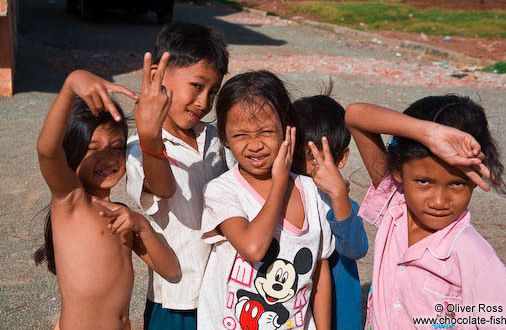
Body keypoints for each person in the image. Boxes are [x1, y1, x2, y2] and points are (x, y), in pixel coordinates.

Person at [345, 95, 506, 330]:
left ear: (474, 179)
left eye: (456, 184)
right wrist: (428, 134)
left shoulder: (469, 253)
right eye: (424, 181)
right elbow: (355, 115)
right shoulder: (396, 208)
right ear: (398, 171)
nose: (439, 201)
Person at [34, 70, 180, 330]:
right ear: (71, 152)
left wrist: (141, 225)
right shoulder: (71, 200)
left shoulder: (121, 215)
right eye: (93, 149)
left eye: (116, 147)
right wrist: (70, 86)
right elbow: (46, 150)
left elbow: (171, 271)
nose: (108, 158)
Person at [198, 71, 335, 330]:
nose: (255, 145)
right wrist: (279, 185)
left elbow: (320, 269)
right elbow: (253, 249)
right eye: (240, 135)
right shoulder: (223, 191)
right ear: (224, 138)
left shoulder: (312, 191)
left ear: (287, 130)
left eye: (266, 131)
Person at [125, 21, 230, 329]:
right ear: (158, 74)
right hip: (174, 302)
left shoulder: (215, 138)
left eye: (213, 92)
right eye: (197, 86)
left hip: (223, 294)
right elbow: (162, 187)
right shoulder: (138, 146)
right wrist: (149, 136)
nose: (204, 102)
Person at [293, 94, 368, 330]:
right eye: (296, 160)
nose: (304, 169)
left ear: (342, 158)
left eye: (315, 160)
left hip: (339, 316)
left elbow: (356, 248)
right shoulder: (286, 199)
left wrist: (338, 196)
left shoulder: (342, 204)